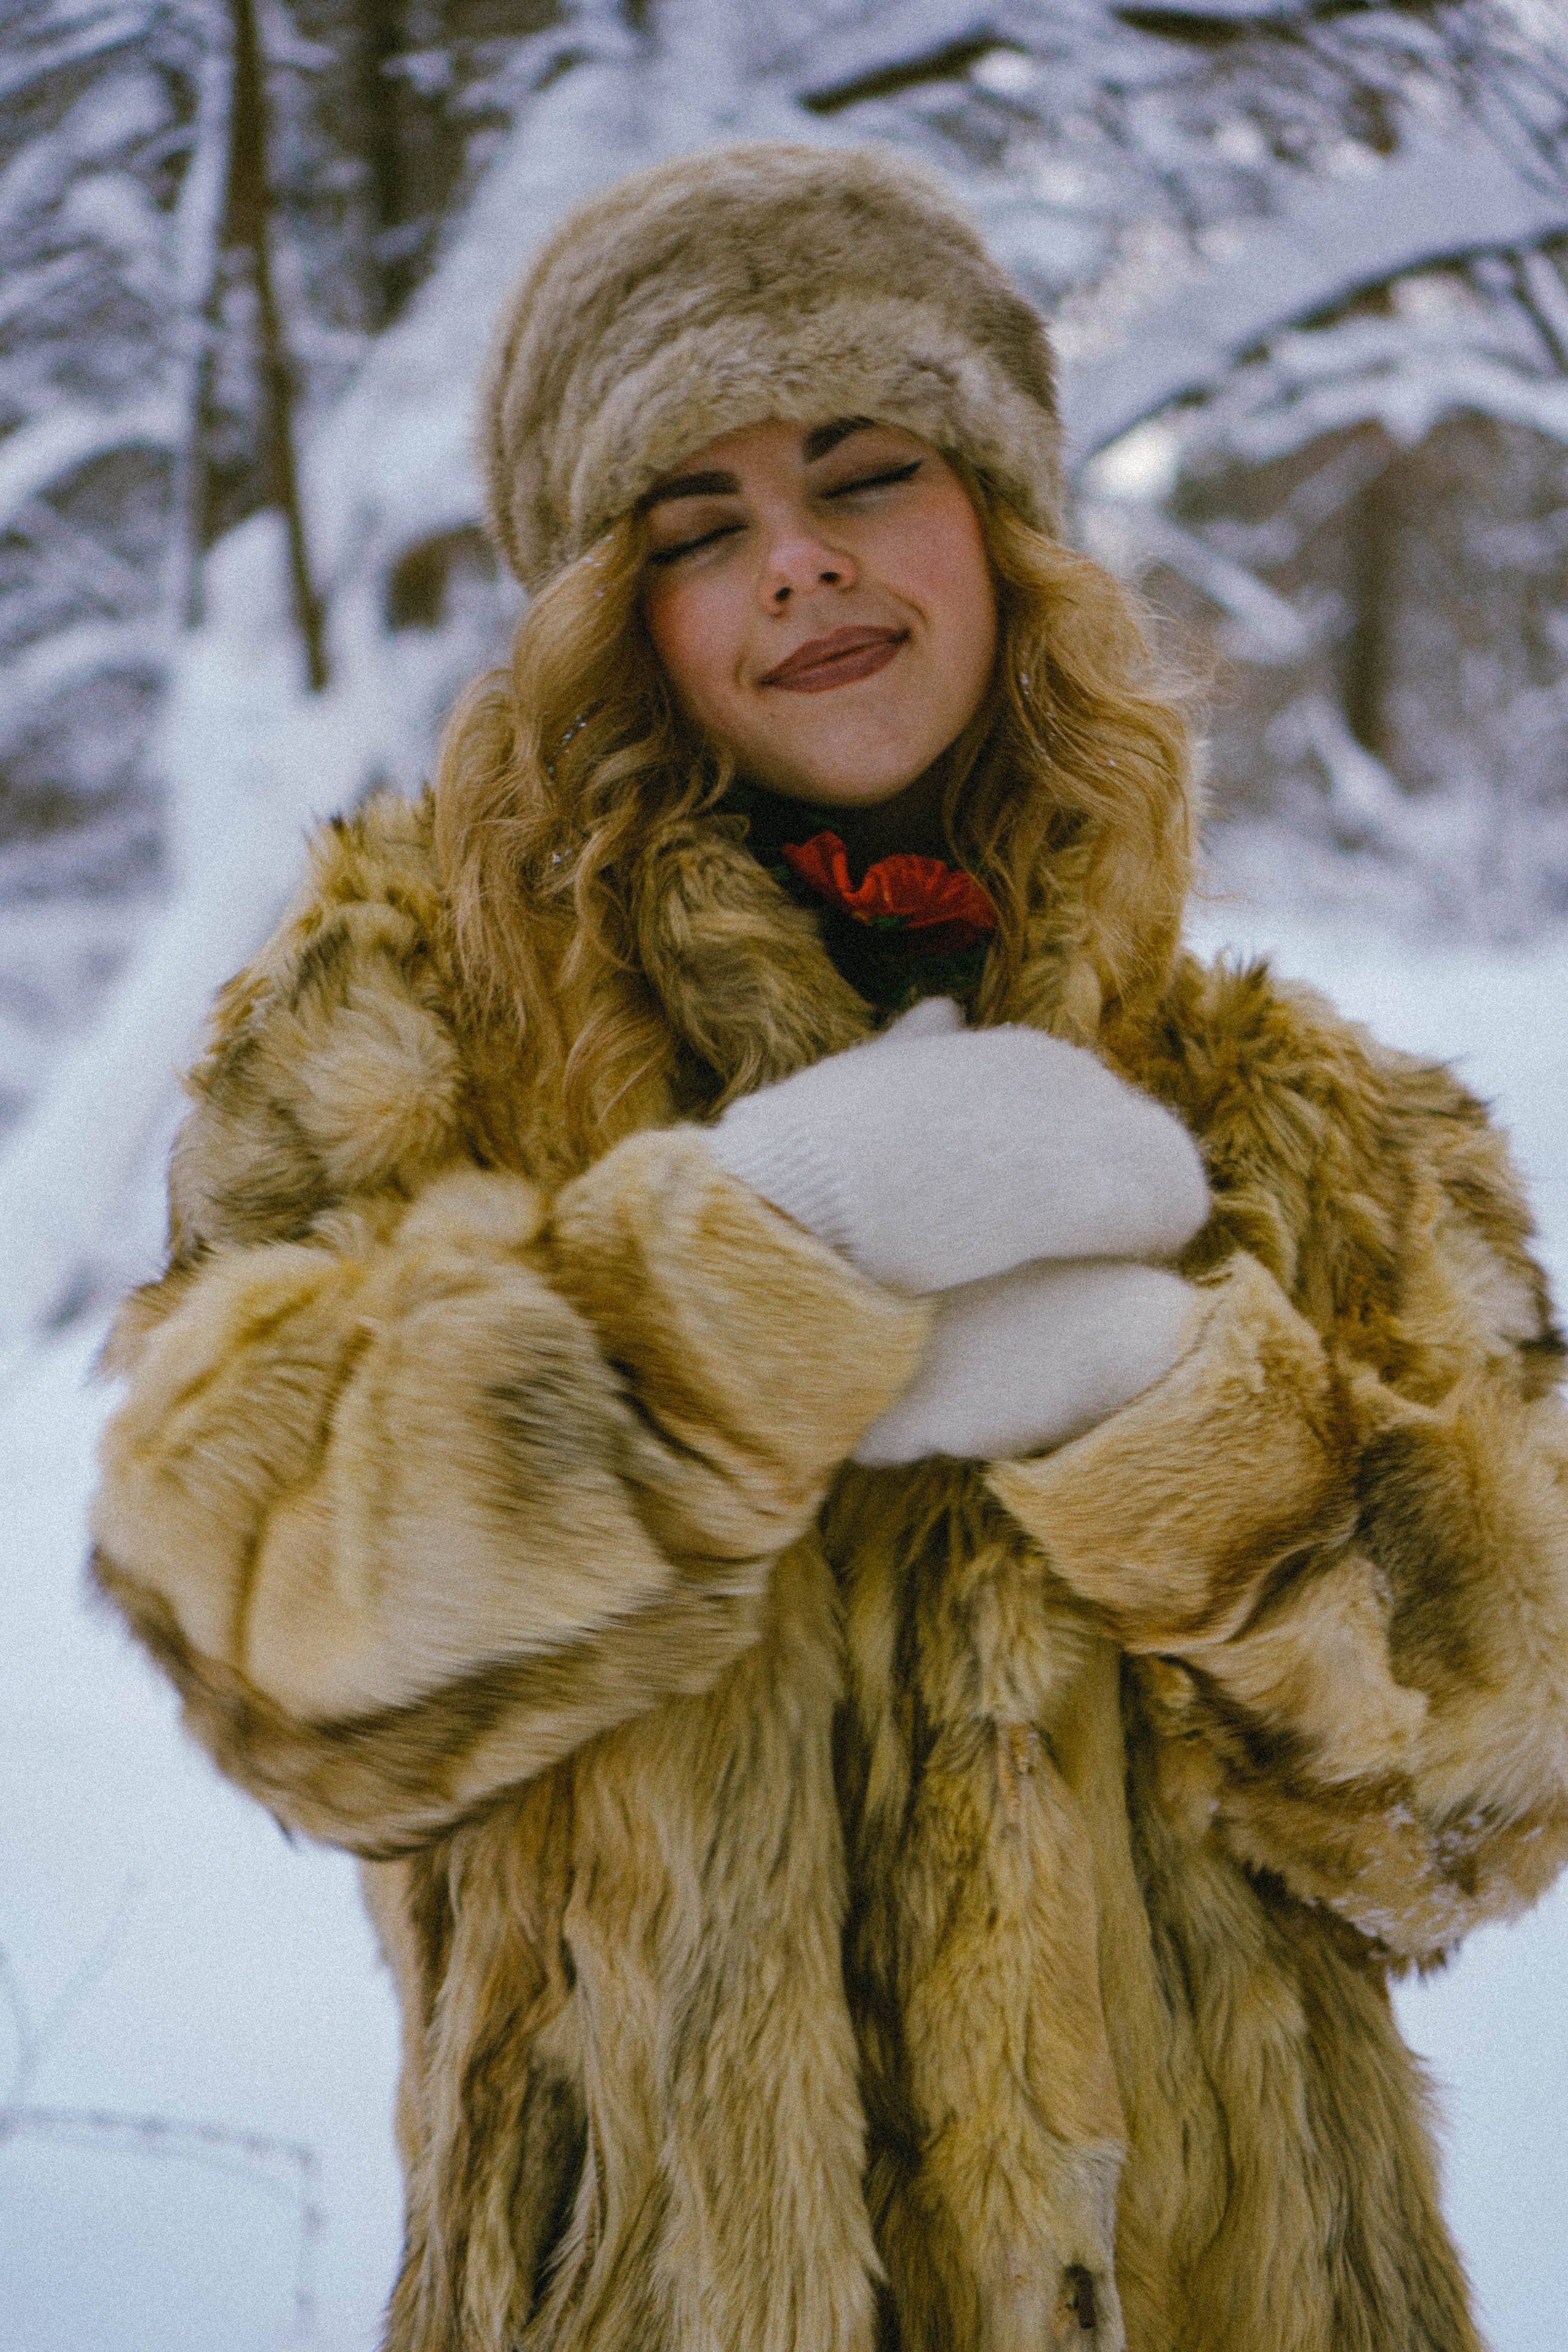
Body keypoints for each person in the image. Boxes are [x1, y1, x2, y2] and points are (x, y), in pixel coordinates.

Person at [89, 143, 1568, 2352]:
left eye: (866, 474)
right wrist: (736, 1282)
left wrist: (1183, 1426)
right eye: (696, 526)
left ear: (1001, 521)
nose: (797, 561)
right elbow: (271, 1633)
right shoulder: (413, 1038)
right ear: (614, 612)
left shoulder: (1299, 1114)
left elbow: (1496, 1781)